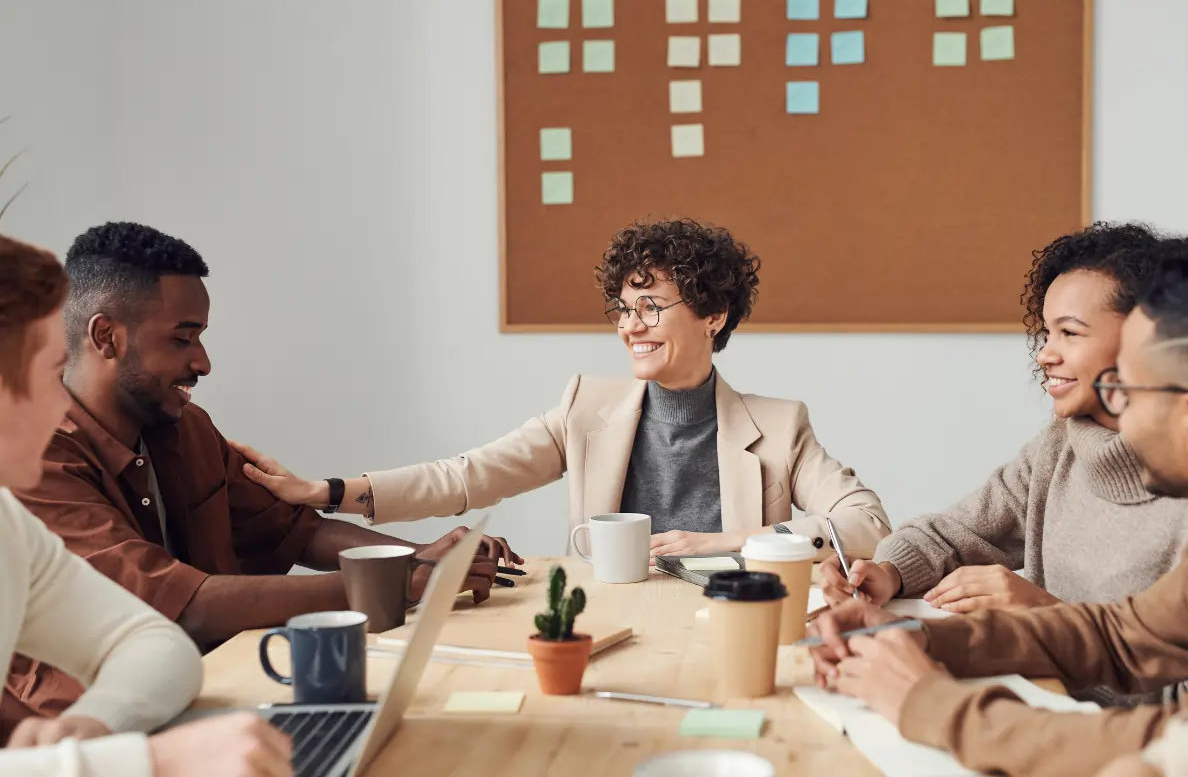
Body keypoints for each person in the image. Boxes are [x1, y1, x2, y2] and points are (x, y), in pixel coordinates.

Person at [6, 221, 515, 732]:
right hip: (106, 735)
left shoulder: (185, 427)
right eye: (183, 339)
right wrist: (398, 583)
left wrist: (417, 559)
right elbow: (184, 606)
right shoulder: (37, 462)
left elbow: (295, 530)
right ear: (104, 338)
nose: (202, 362)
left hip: (218, 698)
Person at [232, 218, 892, 560]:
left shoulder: (779, 427)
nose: (631, 327)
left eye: (652, 308)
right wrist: (334, 492)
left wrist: (722, 542)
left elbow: (865, 525)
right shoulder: (587, 408)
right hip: (606, 625)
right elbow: (468, 477)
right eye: (623, 309)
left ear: (713, 314)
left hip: (732, 625)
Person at [808, 255, 1188, 777]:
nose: (1119, 408)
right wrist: (918, 639)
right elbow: (1121, 637)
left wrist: (925, 701)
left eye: (1128, 388)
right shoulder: (1060, 448)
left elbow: (1165, 741)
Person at [0, 233, 292, 775]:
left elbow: (153, 641)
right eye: (47, 374)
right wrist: (149, 761)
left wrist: (87, 729)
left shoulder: (8, 529)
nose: (60, 400)